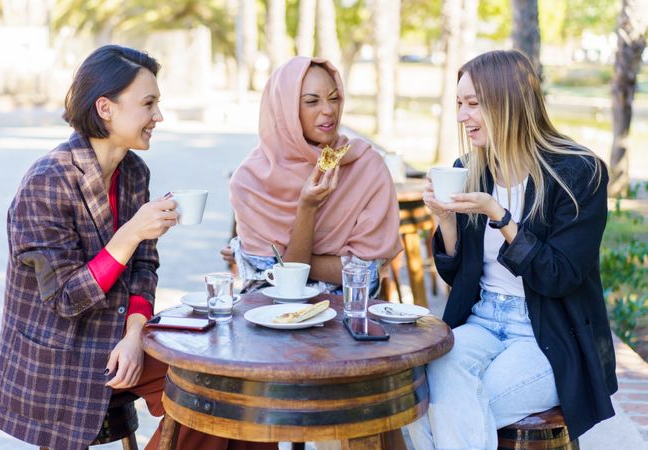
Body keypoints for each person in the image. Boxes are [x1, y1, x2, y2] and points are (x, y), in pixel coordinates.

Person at [0, 44, 275, 450]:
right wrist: (132, 232)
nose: (159, 116)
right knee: (207, 401)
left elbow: (144, 268)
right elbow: (65, 298)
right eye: (149, 103)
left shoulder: (134, 172)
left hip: (122, 339)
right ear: (105, 107)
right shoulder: (48, 181)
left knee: (233, 391)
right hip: (61, 356)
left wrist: (136, 333)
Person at [407, 49, 617, 449]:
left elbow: (559, 276)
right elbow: (459, 274)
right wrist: (446, 220)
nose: (461, 116)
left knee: (457, 404)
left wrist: (500, 217)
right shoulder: (471, 169)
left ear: (508, 104)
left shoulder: (579, 172)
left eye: (472, 104)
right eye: (458, 104)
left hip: (549, 335)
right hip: (482, 321)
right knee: (420, 392)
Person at [224, 56, 402, 296]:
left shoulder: (365, 166)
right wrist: (307, 209)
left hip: (344, 321)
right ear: (284, 109)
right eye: (311, 101)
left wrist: (278, 262)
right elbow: (270, 285)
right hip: (268, 320)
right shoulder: (250, 180)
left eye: (334, 98)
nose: (328, 110)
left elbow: (366, 276)